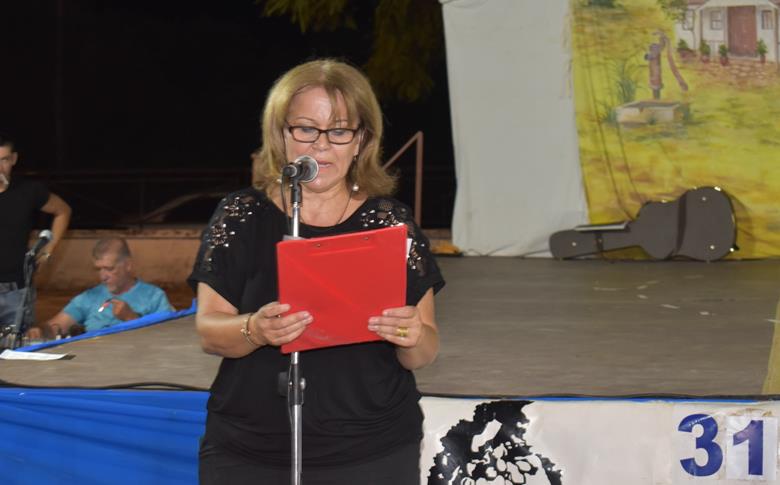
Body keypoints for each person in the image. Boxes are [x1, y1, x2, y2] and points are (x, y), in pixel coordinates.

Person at [189, 59, 445, 485]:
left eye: (340, 131)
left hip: (372, 449)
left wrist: (412, 335)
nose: (322, 145)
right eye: (306, 129)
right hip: (250, 450)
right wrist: (256, 329)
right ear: (281, 135)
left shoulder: (389, 222)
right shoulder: (241, 215)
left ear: (361, 140)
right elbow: (209, 331)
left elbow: (425, 350)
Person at [31, 238, 173, 338]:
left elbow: (166, 338)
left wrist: (131, 318)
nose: (103, 276)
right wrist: (40, 331)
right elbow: (56, 325)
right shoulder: (89, 297)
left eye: (109, 269)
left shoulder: (154, 297)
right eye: (98, 269)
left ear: (128, 265)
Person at [0, 131, 71, 328]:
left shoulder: (28, 190)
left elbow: (63, 211)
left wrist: (49, 249)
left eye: (4, 160)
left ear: (14, 159)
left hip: (18, 292)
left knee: (21, 345)